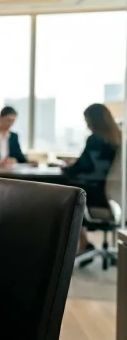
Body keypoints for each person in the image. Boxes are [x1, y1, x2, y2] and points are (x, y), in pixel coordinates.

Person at [63, 103, 120, 257]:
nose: (86, 123)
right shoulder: (119, 139)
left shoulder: (96, 139)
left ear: (94, 120)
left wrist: (65, 169)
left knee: (67, 194)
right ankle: (84, 241)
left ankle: (80, 242)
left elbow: (83, 166)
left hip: (98, 197)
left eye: (86, 119)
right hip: (116, 199)